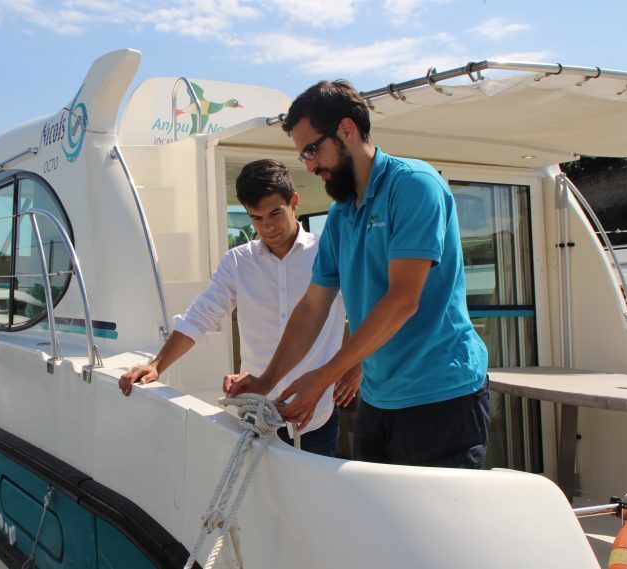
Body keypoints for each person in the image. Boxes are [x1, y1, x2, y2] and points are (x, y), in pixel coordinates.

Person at [224, 81, 490, 469]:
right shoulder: (341, 216)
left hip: (441, 396)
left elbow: (402, 301)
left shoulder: (414, 186)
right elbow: (313, 307)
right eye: (303, 156)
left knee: (432, 528)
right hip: (379, 400)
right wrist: (266, 380)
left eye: (312, 149)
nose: (310, 165)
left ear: (346, 130)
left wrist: (324, 376)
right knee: (377, 524)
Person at [120, 159, 359, 457]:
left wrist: (359, 365)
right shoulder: (236, 261)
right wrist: (157, 365)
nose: (267, 226)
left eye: (275, 213)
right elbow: (202, 314)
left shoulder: (329, 252)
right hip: (256, 413)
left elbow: (367, 310)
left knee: (315, 502)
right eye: (256, 218)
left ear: (294, 202)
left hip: (317, 414)